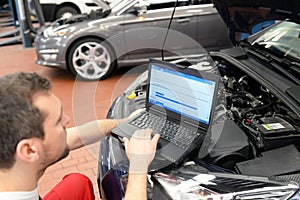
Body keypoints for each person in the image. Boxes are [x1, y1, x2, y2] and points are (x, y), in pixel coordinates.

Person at [0, 72, 160, 200]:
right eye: (58, 121)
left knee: (77, 183)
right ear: (29, 151)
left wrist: (126, 122)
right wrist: (139, 165)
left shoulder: (13, 159)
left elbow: (79, 135)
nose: (67, 120)